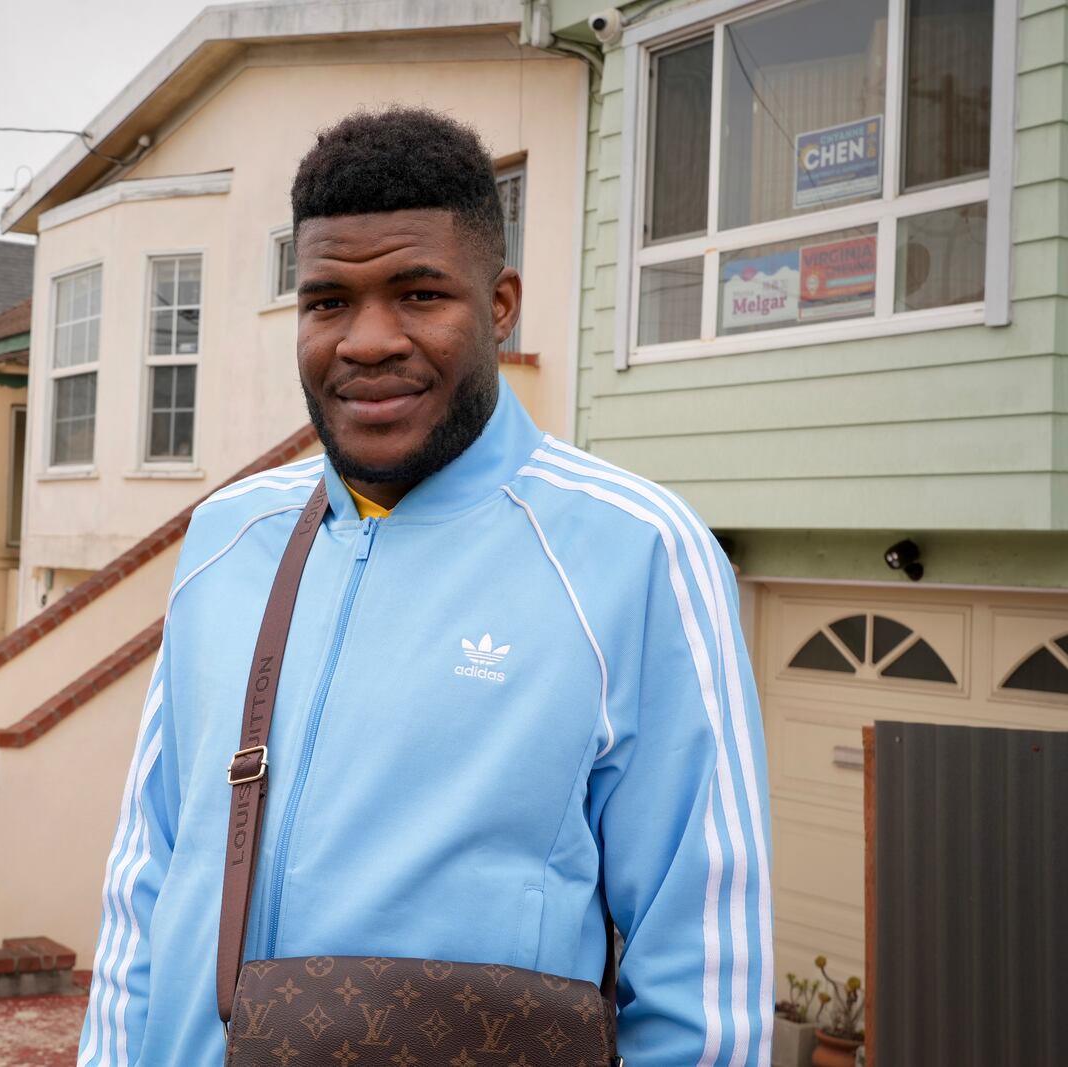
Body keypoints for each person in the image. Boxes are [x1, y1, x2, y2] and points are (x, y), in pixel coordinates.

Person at [76, 107, 772, 1067]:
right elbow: (147, 879)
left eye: (417, 293)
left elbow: (704, 961)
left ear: (500, 304)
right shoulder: (225, 539)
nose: (366, 341)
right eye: (327, 302)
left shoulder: (636, 551)